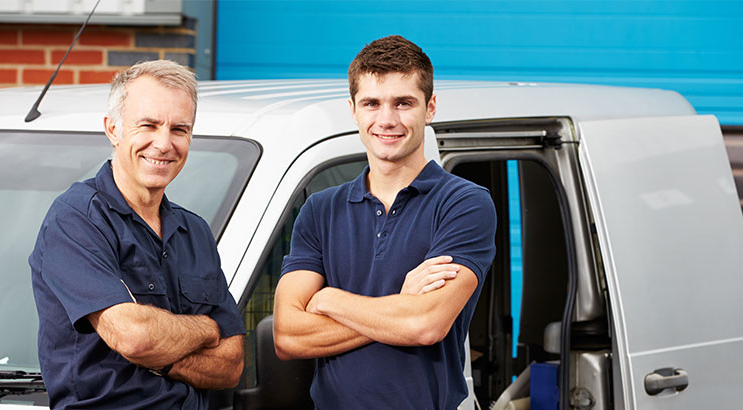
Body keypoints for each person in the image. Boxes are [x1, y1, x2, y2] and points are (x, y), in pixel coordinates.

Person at [273, 36, 496, 409]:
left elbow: (424, 326)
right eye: (372, 103)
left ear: (430, 108)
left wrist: (328, 299)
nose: (387, 120)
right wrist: (399, 304)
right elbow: (288, 335)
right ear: (354, 110)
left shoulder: (464, 204)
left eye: (403, 103)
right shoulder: (320, 210)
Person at [30, 60, 245, 409]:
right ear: (112, 129)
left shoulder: (195, 232)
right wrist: (206, 330)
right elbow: (136, 338)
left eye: (179, 129)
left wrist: (162, 351)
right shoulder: (75, 220)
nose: (164, 144)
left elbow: (231, 364)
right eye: (148, 125)